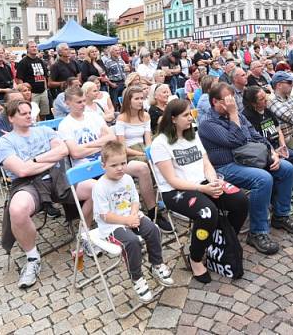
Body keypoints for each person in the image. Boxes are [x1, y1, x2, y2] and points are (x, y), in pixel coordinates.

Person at [199, 82, 293, 255]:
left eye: (232, 99)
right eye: (227, 100)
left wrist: (272, 153)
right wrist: (233, 115)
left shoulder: (237, 115)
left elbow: (256, 136)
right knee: (263, 179)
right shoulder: (207, 123)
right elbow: (236, 140)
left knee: (286, 168)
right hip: (226, 166)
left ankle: (281, 215)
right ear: (215, 102)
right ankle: (257, 232)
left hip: (250, 159)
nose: (232, 103)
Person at [150, 99, 249, 283]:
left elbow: (206, 163)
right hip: (176, 191)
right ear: (173, 119)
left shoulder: (192, 134)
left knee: (240, 200)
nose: (190, 118)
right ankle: (195, 257)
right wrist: (203, 188)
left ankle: (221, 240)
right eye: (186, 115)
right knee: (207, 213)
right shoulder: (160, 144)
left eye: (191, 114)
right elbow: (172, 180)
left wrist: (213, 181)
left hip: (204, 182)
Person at [59, 87, 171, 231]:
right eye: (78, 102)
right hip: (85, 170)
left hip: (110, 164)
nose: (82, 105)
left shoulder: (93, 116)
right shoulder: (65, 125)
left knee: (142, 168)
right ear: (67, 103)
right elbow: (75, 153)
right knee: (97, 188)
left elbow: (111, 138)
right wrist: (100, 145)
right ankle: (85, 232)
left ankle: (151, 211)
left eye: (83, 101)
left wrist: (87, 147)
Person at [0, 100, 73, 289]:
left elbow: (63, 150)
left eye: (30, 112)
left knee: (93, 187)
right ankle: (32, 257)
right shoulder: (5, 142)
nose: (29, 115)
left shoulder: (44, 130)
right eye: (23, 113)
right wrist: (49, 160)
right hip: (27, 183)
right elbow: (21, 172)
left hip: (56, 177)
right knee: (17, 209)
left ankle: (87, 236)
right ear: (11, 118)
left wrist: (35, 160)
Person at [92, 141, 174, 302]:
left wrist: (134, 215)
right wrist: (127, 220)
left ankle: (156, 264)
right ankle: (137, 278)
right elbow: (104, 215)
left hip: (131, 216)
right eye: (114, 165)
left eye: (123, 163)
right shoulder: (100, 187)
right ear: (103, 166)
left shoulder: (127, 178)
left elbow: (135, 200)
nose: (120, 168)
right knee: (131, 242)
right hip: (111, 225)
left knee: (153, 229)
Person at [241, 86, 293, 209]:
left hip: (276, 146)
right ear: (253, 103)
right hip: (262, 152)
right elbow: (254, 141)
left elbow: (278, 130)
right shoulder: (247, 116)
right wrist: (273, 152)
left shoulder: (267, 111)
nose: (266, 100)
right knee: (278, 167)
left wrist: (283, 145)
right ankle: (277, 200)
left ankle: (292, 191)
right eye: (262, 99)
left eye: (265, 96)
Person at [114, 85, 151, 162]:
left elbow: (148, 142)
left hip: (143, 147)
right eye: (136, 99)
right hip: (130, 152)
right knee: (145, 161)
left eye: (142, 98)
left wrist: (148, 152)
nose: (140, 101)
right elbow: (123, 148)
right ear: (128, 101)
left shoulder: (146, 116)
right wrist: (142, 154)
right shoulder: (121, 118)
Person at [15, 41, 51, 119]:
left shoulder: (40, 61)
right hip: (32, 93)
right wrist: (24, 92)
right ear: (27, 49)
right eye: (32, 47)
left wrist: (45, 89)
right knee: (33, 115)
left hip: (42, 92)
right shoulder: (23, 62)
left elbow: (44, 76)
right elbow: (19, 79)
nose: (34, 48)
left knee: (43, 114)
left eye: (35, 46)